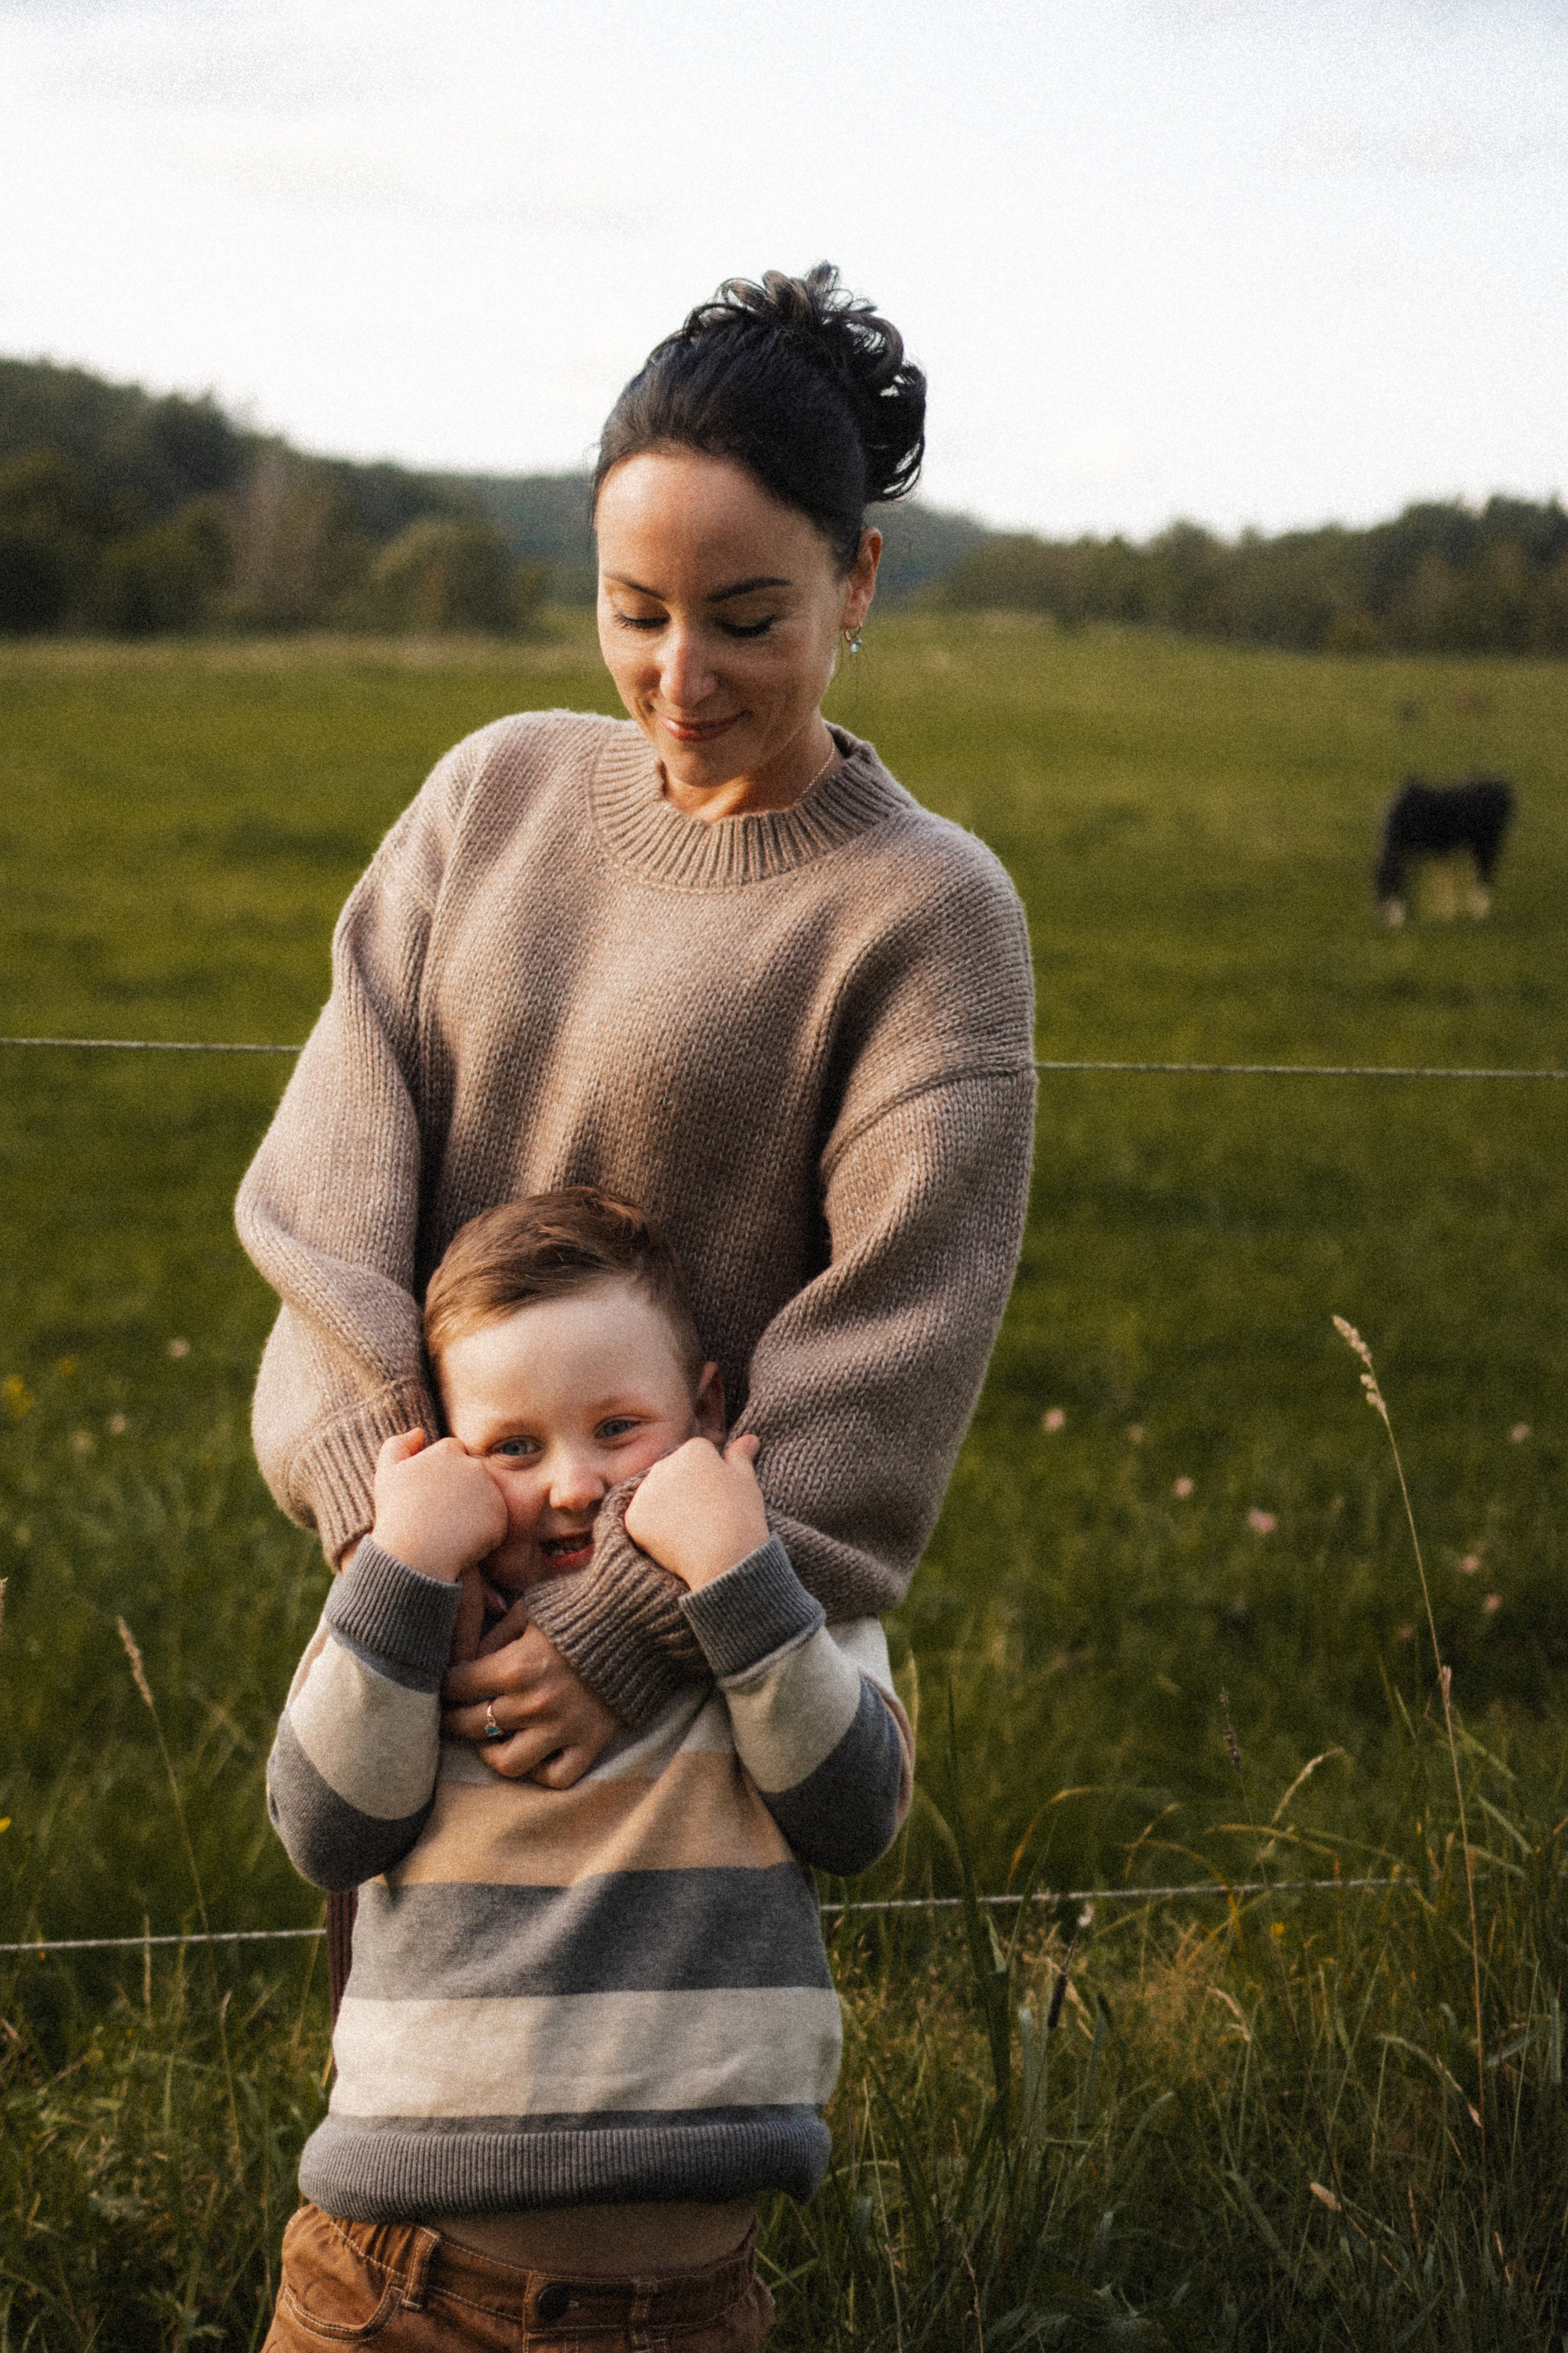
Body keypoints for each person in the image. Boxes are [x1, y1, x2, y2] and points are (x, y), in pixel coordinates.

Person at [236, 260, 1034, 1811]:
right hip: (426, 1609)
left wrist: (627, 1624)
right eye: (634, 611)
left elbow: (895, 1336)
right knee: (407, 1977)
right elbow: (328, 1180)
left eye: (744, 619)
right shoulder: (491, 797)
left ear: (858, 579)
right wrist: (401, 1541)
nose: (680, 676)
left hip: (708, 1678)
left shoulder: (927, 911)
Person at [263, 1188, 912, 2350]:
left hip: (689, 2310)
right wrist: (403, 1566)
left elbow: (855, 1814)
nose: (571, 1484)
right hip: (399, 2287)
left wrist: (738, 1577)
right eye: (514, 1448)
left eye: (618, 1427)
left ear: (704, 1409)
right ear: (451, 1453)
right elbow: (325, 1829)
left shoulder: (776, 1596)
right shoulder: (418, 1608)